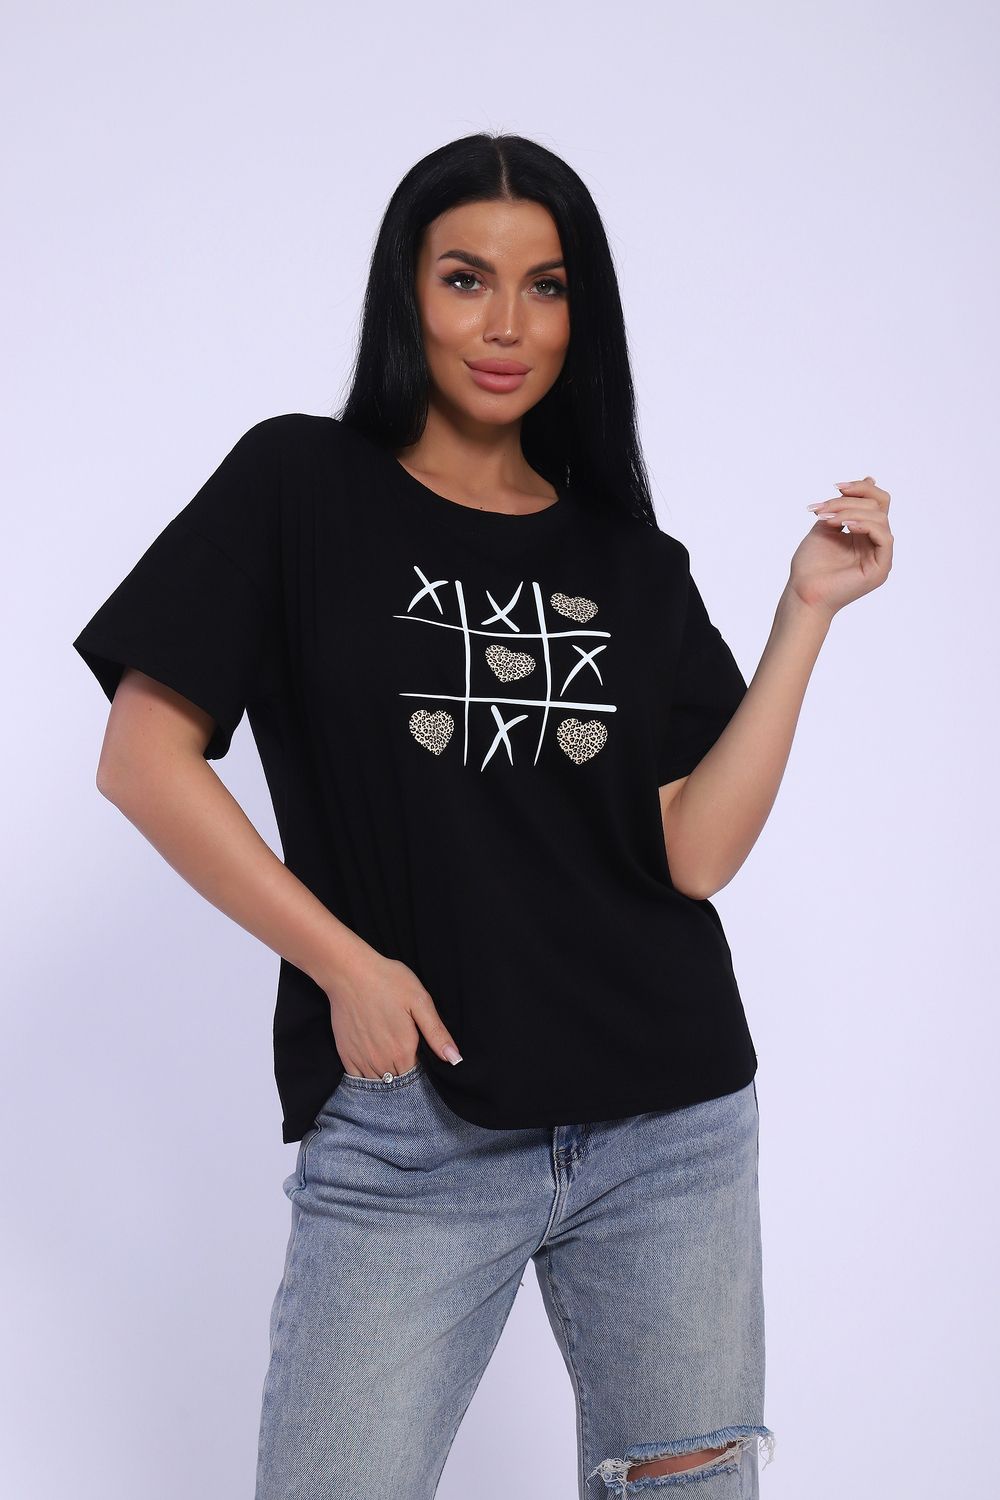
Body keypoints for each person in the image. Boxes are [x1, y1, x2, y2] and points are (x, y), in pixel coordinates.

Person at [72, 132, 893, 1499]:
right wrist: (346, 966)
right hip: (415, 1129)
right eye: (466, 279)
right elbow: (142, 761)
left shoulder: (628, 559)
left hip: (668, 1126)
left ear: (583, 313)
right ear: (408, 293)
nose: (507, 324)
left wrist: (804, 614)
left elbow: (693, 853)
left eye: (545, 286)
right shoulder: (299, 486)